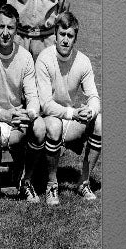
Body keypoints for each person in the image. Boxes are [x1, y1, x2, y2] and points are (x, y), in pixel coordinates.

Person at [0, 4, 46, 207]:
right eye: (1, 27)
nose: (5, 33)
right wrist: (3, 115)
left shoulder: (25, 57)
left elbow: (33, 98)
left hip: (16, 120)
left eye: (10, 28)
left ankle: (26, 180)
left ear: (16, 30)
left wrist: (29, 114)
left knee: (40, 127)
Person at [36, 11, 102, 204]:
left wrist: (91, 111)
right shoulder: (44, 58)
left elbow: (94, 97)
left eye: (70, 36)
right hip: (46, 121)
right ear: (55, 35)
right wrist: (74, 113)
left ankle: (84, 182)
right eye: (62, 34)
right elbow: (46, 105)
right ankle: (52, 184)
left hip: (70, 119)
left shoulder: (83, 61)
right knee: (55, 124)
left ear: (75, 38)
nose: (65, 40)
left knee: (99, 122)